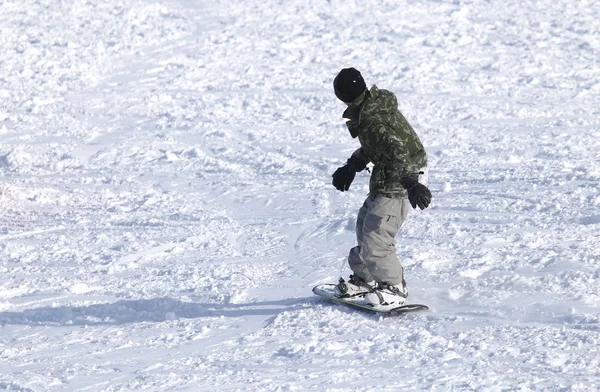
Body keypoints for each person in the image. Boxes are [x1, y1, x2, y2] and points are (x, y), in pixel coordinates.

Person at [331, 68, 432, 307]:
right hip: (390, 173)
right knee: (365, 223)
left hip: (404, 174)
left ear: (341, 95)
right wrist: (352, 166)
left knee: (378, 230)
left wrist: (411, 184)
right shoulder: (370, 107)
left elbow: (397, 149)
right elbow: (377, 146)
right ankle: (365, 279)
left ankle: (393, 286)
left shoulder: (371, 118)